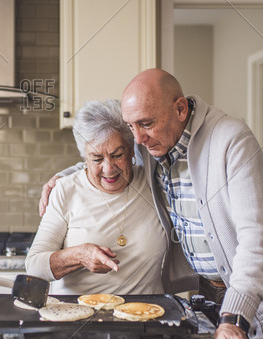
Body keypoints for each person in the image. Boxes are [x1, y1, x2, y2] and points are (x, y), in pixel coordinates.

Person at [39, 69, 263, 339]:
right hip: (209, 298)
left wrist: (235, 318)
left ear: (179, 109)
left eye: (145, 124)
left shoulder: (230, 138)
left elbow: (257, 241)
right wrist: (64, 178)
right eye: (132, 127)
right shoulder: (154, 142)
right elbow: (110, 157)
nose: (138, 139)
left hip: (258, 304)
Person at [26, 99, 166, 295]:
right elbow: (34, 266)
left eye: (117, 155)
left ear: (132, 149)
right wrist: (79, 256)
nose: (109, 169)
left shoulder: (154, 183)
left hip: (145, 315)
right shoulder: (66, 190)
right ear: (84, 156)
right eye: (97, 159)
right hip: (78, 317)